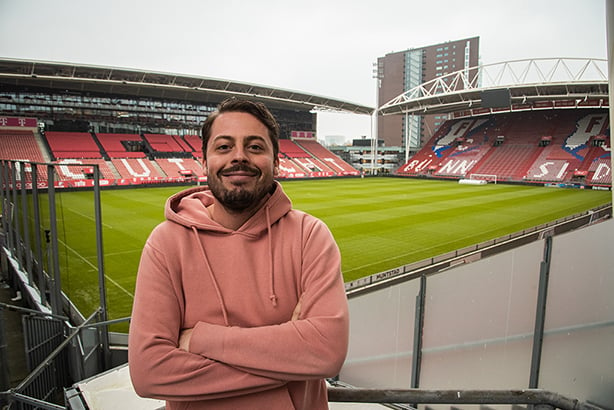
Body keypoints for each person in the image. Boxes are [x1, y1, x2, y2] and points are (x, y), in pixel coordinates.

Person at [128, 97, 350, 409]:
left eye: (255, 147)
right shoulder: (167, 242)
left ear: (276, 161)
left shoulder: (310, 236)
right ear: (205, 161)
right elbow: (149, 373)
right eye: (224, 147)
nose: (239, 157)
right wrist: (291, 362)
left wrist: (202, 341)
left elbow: (327, 352)